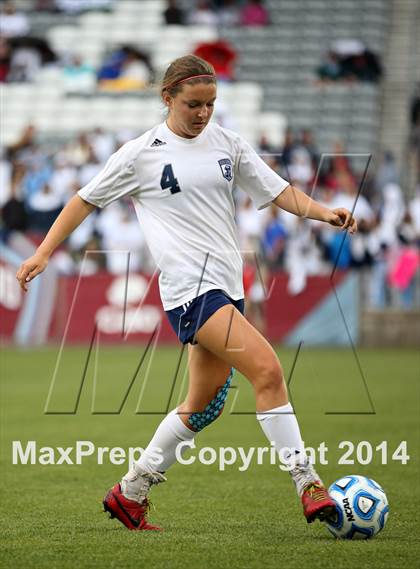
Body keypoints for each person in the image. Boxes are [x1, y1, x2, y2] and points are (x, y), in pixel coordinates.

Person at [16, 54, 357, 532]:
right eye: (193, 104)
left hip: (226, 284)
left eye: (210, 104)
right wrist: (45, 252)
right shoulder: (140, 153)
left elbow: (278, 190)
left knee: (203, 405)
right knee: (268, 371)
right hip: (190, 290)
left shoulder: (227, 143)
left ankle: (130, 492)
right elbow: (84, 199)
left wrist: (326, 213)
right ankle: (308, 482)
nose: (203, 114)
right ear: (167, 98)